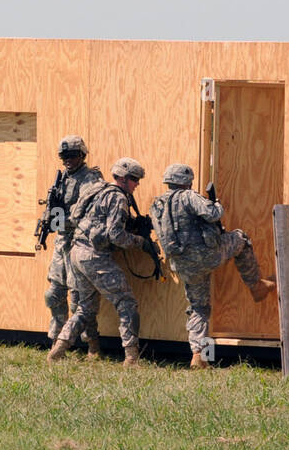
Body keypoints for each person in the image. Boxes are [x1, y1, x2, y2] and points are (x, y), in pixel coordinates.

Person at [149, 163, 275, 369]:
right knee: (241, 238)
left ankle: (198, 355)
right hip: (206, 256)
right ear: (186, 181)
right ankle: (257, 286)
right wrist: (216, 203)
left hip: (182, 264)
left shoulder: (157, 205)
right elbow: (213, 214)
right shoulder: (189, 196)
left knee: (199, 307)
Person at [48, 157, 152, 367]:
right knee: (126, 303)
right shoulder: (118, 198)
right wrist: (141, 242)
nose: (137, 184)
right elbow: (116, 236)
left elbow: (76, 217)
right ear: (123, 178)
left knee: (84, 309)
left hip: (76, 252)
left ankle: (57, 350)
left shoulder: (96, 189)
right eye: (134, 179)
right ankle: (131, 357)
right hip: (95, 257)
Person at [43, 135, 103, 351]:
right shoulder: (62, 178)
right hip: (62, 242)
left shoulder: (91, 179)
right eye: (63, 156)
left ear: (82, 155)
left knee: (79, 297)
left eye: (72, 155)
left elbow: (88, 213)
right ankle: (56, 339)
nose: (68, 160)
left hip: (80, 243)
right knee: (54, 294)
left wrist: (62, 220)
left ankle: (91, 343)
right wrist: (49, 217)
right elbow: (56, 207)